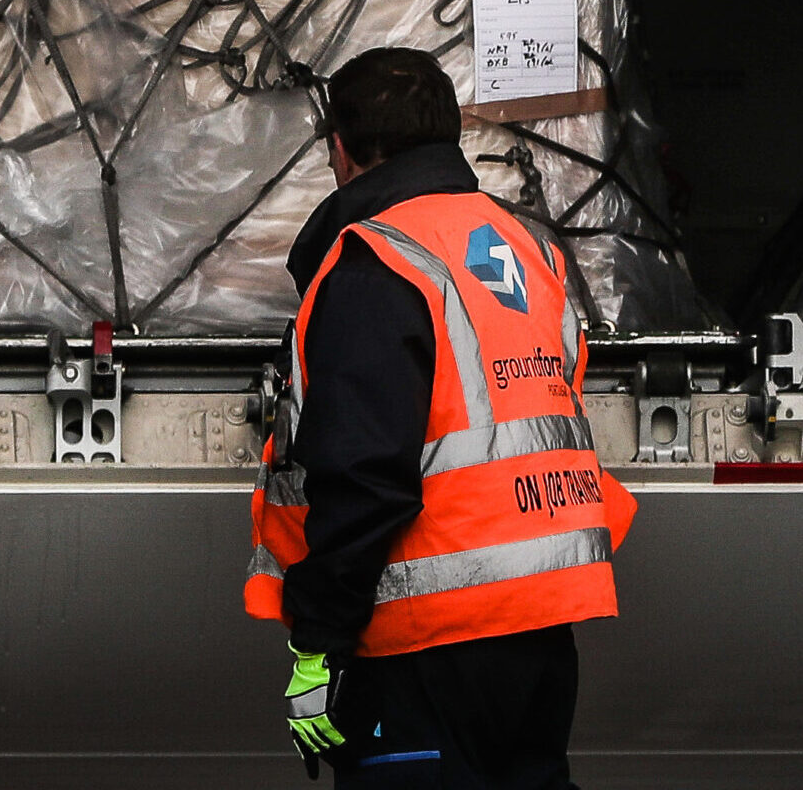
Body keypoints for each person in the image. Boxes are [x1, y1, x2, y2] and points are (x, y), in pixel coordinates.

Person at [245, 47, 636, 787]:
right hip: (540, 627)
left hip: (427, 638)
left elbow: (364, 473)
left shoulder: (378, 261)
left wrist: (319, 642)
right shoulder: (529, 248)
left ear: (342, 149)